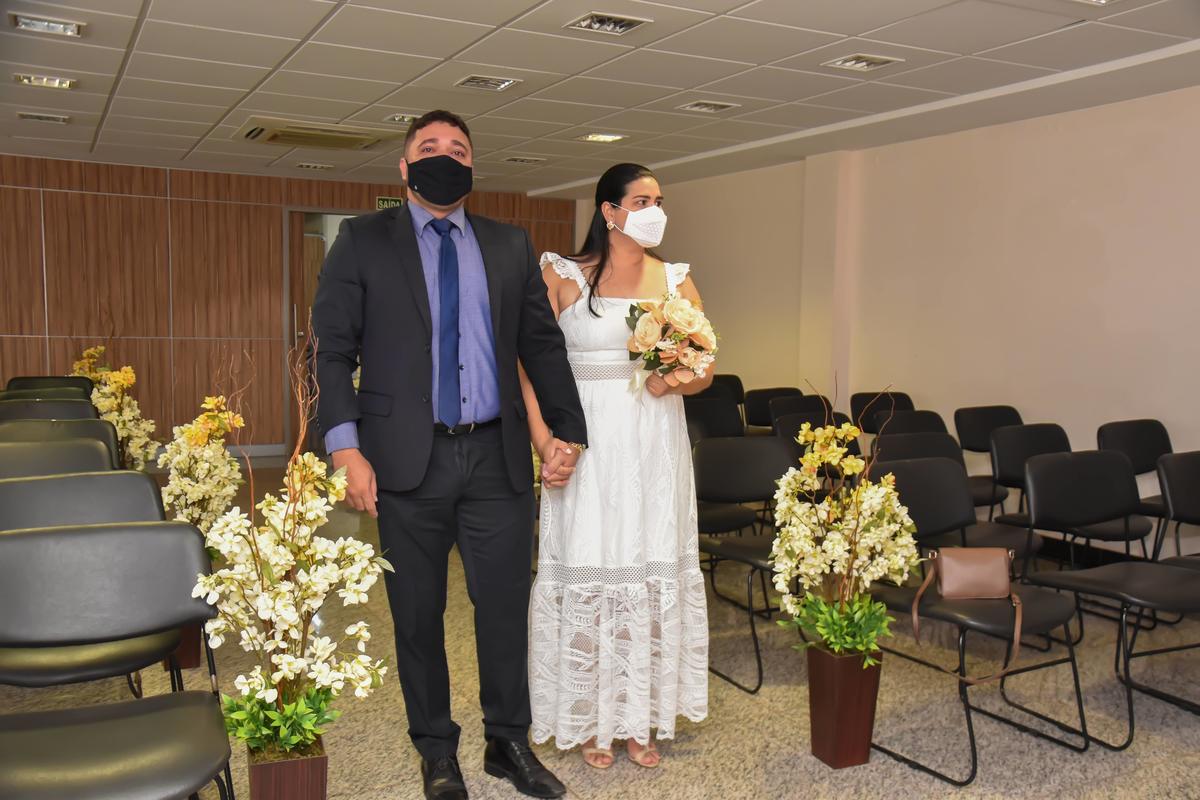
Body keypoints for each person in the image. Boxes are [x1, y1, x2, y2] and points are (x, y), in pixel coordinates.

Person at [311, 109, 587, 800]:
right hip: (406, 460)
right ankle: (436, 750)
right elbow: (332, 351)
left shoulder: (509, 244)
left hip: (495, 457)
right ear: (404, 167)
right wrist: (345, 449)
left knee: (503, 610)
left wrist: (568, 430)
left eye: (458, 149)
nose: (445, 156)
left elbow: (540, 345)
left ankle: (508, 743)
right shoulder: (362, 240)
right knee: (416, 615)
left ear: (472, 167)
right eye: (429, 147)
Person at [523, 163, 711, 770]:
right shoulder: (562, 275)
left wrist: (672, 380)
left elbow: (704, 366)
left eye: (659, 200)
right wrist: (543, 441)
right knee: (591, 564)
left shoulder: (675, 279)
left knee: (647, 567)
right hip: (586, 440)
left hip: (655, 443)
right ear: (609, 211)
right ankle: (589, 717)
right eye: (641, 200)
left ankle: (639, 717)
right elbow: (527, 365)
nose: (655, 211)